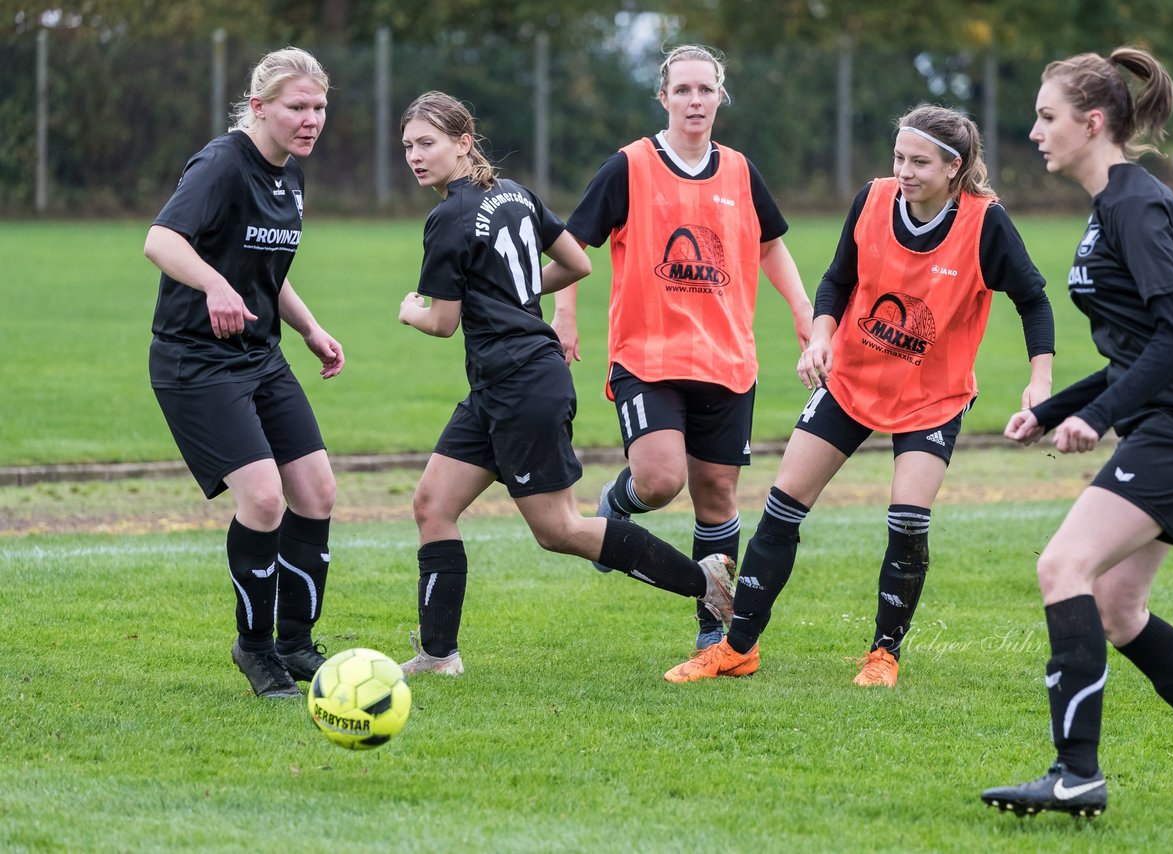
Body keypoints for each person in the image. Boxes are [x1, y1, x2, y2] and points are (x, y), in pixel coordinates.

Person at [980, 47, 1173, 817]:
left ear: (1093, 121)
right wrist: (1052, 410)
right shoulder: (1115, 202)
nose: (1036, 131)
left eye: (1048, 117)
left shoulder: (1133, 205)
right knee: (1115, 606)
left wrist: (1095, 416)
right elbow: (1146, 347)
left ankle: (1074, 773)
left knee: (1063, 565)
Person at [664, 103, 1055, 686]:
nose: (905, 170)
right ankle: (737, 646)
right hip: (851, 379)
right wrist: (820, 339)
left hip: (933, 395)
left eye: (920, 161)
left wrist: (1039, 380)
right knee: (782, 505)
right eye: (899, 157)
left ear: (955, 167)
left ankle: (883, 655)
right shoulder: (873, 200)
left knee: (907, 521)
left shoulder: (983, 222)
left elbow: (1033, 300)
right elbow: (836, 280)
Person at [393, 92, 736, 677]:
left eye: (428, 143)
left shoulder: (448, 217)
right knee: (432, 504)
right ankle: (438, 654)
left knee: (559, 530)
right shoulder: (516, 195)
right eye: (407, 147)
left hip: (522, 385)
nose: (416, 157)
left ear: (463, 141)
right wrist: (520, 290)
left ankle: (701, 581)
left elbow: (443, 321)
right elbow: (578, 263)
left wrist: (409, 311)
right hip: (502, 385)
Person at [556, 44, 813, 651]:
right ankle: (616, 503)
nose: (695, 101)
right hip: (647, 356)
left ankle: (711, 633)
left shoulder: (741, 171)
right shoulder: (630, 165)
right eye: (683, 90)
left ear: (720, 96)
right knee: (661, 477)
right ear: (664, 98)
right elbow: (572, 243)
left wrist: (804, 313)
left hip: (726, 360)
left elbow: (771, 245)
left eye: (706, 90)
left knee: (717, 493)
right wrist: (564, 316)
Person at [143, 47, 341, 699]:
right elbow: (161, 240)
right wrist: (213, 286)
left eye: (318, 107)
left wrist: (310, 328)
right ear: (259, 108)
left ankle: (295, 643)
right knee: (262, 498)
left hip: (261, 354)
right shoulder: (223, 163)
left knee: (316, 490)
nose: (311, 119)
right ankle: (255, 650)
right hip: (195, 359)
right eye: (297, 107)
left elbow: (265, 270)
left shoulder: (292, 176)